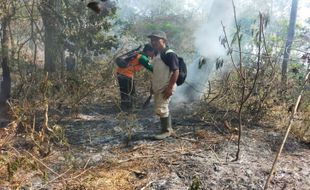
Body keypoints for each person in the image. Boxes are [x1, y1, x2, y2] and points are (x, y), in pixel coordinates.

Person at [147, 31, 179, 140]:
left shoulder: (170, 53)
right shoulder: (157, 55)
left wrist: (170, 87)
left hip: (165, 86)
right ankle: (168, 129)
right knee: (159, 108)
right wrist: (152, 86)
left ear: (164, 41)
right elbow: (156, 72)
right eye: (152, 40)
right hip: (158, 86)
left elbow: (176, 72)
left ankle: (167, 131)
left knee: (162, 108)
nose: (153, 42)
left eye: (156, 40)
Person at [116, 44, 154, 111]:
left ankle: (124, 108)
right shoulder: (143, 58)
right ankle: (129, 109)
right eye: (153, 52)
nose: (153, 54)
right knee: (131, 92)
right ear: (148, 51)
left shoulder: (138, 54)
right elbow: (151, 68)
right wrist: (161, 72)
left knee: (124, 92)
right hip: (126, 75)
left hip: (120, 73)